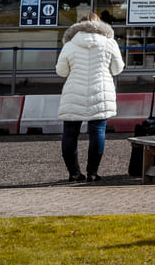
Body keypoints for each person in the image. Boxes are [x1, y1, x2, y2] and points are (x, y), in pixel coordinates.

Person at [56, 13, 124, 183]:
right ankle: (92, 173)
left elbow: (61, 71)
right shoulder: (109, 43)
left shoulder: (70, 45)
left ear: (79, 25)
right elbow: (117, 69)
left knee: (70, 133)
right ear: (100, 24)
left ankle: (74, 173)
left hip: (74, 92)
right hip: (101, 91)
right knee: (98, 132)